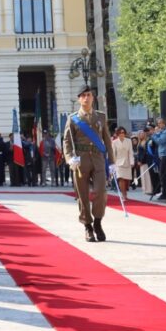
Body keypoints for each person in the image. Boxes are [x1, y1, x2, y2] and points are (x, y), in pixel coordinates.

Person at [62, 86, 115, 242]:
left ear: (93, 98)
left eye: (89, 95)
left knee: (101, 191)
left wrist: (111, 162)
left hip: (98, 158)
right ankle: (88, 226)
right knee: (82, 195)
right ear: (79, 99)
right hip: (80, 160)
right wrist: (70, 158)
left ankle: (98, 222)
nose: (86, 98)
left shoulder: (101, 117)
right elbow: (67, 141)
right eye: (83, 95)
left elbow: (107, 141)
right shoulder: (73, 118)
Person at [111, 127, 135, 200]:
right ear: (118, 134)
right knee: (121, 178)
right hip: (118, 163)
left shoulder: (128, 141)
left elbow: (130, 152)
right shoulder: (114, 142)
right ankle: (123, 194)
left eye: (123, 132)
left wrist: (132, 161)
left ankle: (125, 192)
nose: (122, 134)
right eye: (120, 133)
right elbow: (113, 154)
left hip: (127, 162)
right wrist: (113, 164)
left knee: (126, 180)